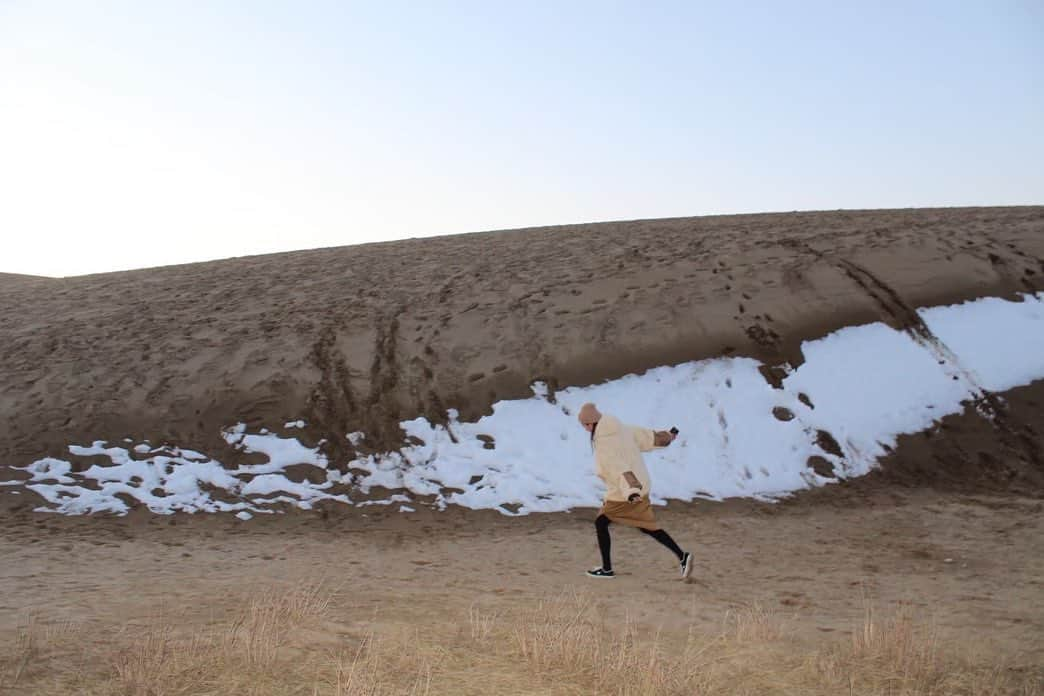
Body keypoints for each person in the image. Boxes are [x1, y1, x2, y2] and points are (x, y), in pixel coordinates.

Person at [577, 402, 693, 580]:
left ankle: (607, 569)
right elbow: (647, 437)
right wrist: (668, 436)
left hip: (626, 493)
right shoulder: (621, 429)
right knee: (647, 527)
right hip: (638, 486)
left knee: (601, 523)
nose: (585, 429)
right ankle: (682, 556)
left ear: (590, 423)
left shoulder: (605, 443)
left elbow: (620, 469)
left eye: (585, 425)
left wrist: (631, 491)